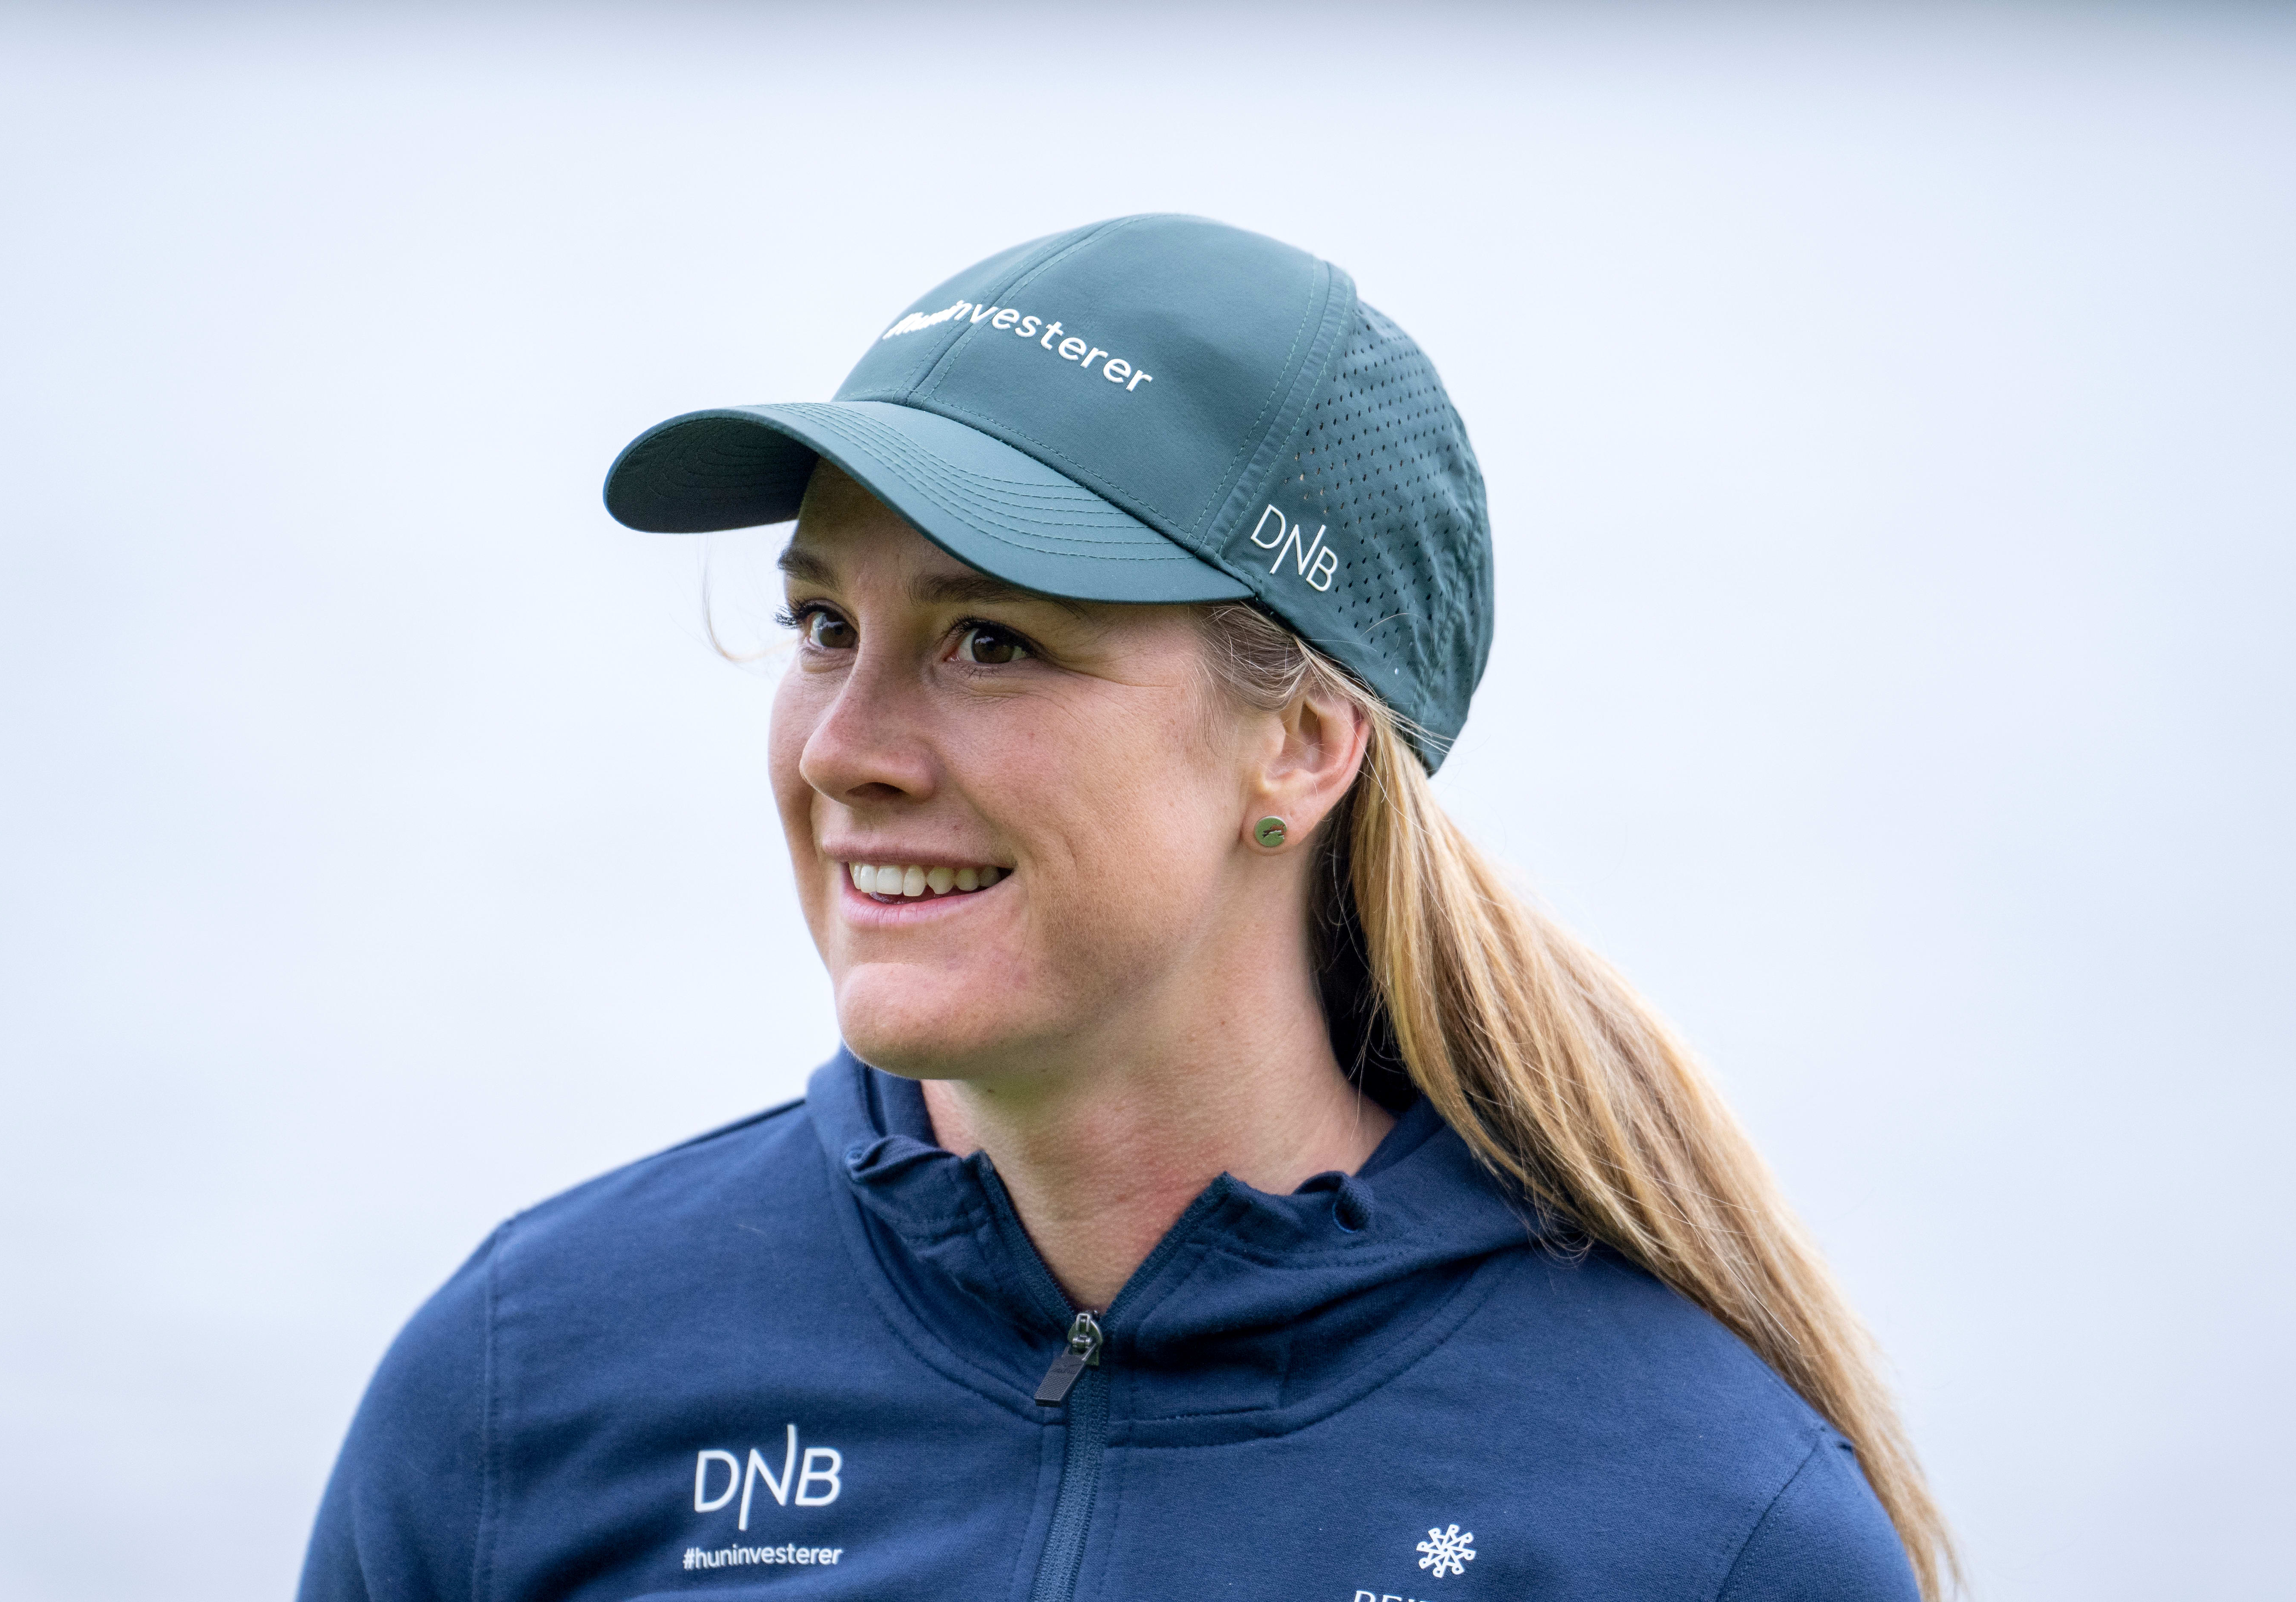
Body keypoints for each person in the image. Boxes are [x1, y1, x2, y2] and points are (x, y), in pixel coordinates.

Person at [298, 215, 1953, 1602]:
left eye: (991, 642)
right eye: (822, 626)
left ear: (1304, 743)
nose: (845, 749)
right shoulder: (526, 1382)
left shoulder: (1706, 1528)